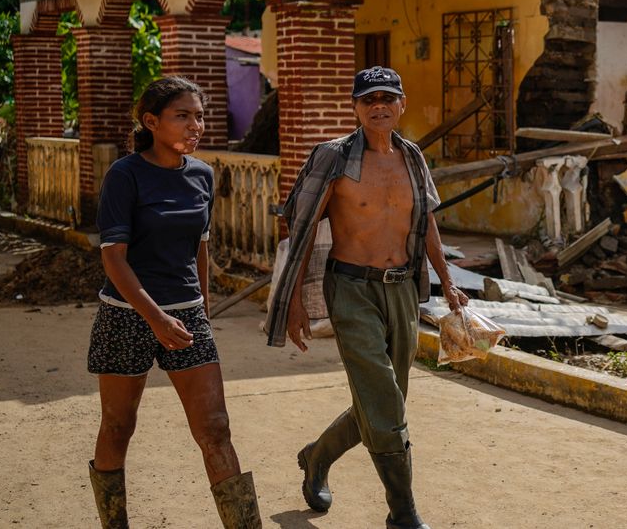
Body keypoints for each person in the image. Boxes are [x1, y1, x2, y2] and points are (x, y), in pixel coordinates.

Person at [264, 66, 468, 529]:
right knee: (382, 400)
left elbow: (426, 222)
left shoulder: (412, 157)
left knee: (384, 401)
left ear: (401, 105)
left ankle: (316, 456)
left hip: (401, 289)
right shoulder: (333, 158)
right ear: (355, 107)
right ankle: (403, 512)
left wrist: (447, 280)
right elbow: (300, 231)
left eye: (387, 98)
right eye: (368, 99)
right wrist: (294, 301)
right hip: (352, 288)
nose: (378, 106)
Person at [87, 76, 261, 529]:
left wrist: (200, 304)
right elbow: (113, 258)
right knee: (119, 426)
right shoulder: (125, 175)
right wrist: (155, 317)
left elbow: (201, 245)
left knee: (216, 428)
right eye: (182, 115)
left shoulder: (201, 174)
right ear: (151, 121)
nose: (195, 125)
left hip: (186, 318)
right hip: (127, 315)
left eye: (200, 115)